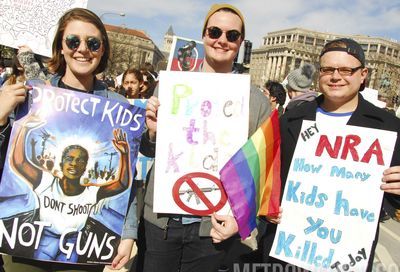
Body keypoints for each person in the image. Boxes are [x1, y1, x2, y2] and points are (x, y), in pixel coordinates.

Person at [0, 8, 136, 271]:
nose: (82, 49)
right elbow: (15, 162)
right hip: (25, 250)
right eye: (73, 41)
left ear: (103, 49)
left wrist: (128, 233)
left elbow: (125, 187)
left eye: (92, 42)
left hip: (82, 254)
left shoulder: (119, 108)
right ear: (61, 47)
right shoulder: (32, 98)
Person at [138, 3, 271, 272]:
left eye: (231, 35)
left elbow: (262, 173)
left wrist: (242, 222)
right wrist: (152, 133)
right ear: (203, 35)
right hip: (161, 220)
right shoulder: (170, 85)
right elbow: (147, 150)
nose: (222, 40)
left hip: (213, 227)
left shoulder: (256, 101)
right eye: (215, 32)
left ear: (240, 43)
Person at [276, 38, 400, 271]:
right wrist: (267, 210)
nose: (335, 76)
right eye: (328, 69)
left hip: (346, 257)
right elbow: (270, 178)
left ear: (363, 74)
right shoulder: (290, 119)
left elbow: (394, 202)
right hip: (289, 251)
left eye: (346, 70)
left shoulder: (389, 127)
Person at [9, 115, 131, 262]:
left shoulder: (91, 192)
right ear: (61, 164)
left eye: (80, 160)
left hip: (73, 243)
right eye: (69, 159)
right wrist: (25, 129)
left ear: (85, 167)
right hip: (44, 238)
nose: (74, 163)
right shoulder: (46, 182)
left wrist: (124, 154)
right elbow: (20, 162)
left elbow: (122, 184)